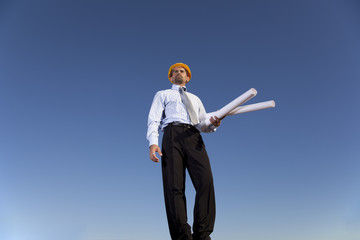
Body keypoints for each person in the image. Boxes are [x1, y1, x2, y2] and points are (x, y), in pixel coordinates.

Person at [147, 63, 221, 240]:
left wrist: (213, 124)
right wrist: (153, 143)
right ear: (171, 78)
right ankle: (182, 235)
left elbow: (203, 124)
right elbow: (153, 119)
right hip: (172, 135)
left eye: (182, 71)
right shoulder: (162, 94)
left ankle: (203, 234)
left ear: (187, 77)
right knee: (174, 186)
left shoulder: (196, 99)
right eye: (175, 72)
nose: (178, 73)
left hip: (194, 136)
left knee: (206, 182)